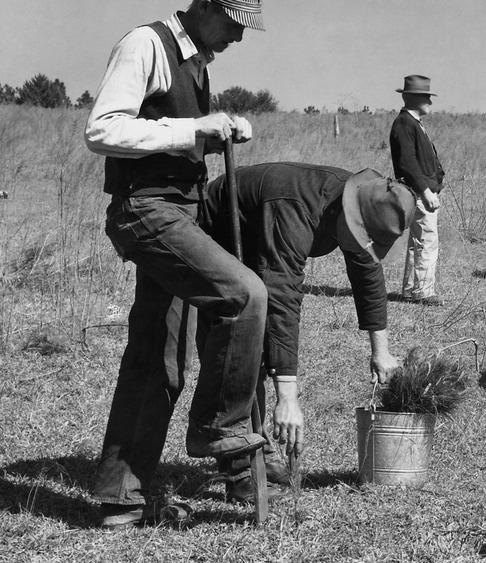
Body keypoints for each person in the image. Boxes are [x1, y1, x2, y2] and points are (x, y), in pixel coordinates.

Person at [84, 0, 266, 528]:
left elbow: (183, 127)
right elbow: (102, 131)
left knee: (157, 356)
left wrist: (217, 127)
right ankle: (217, 428)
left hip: (177, 213)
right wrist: (190, 131)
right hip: (145, 209)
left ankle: (121, 495)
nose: (239, 35)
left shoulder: (196, 60)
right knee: (244, 294)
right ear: (206, 5)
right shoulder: (146, 45)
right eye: (234, 22)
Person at [201, 163, 412, 502]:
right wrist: (289, 399)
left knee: (257, 343)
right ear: (349, 215)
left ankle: (257, 450)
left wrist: (380, 349)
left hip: (260, 240)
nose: (361, 246)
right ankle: (240, 469)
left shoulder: (362, 201)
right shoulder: (296, 210)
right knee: (239, 349)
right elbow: (282, 296)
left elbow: (368, 277)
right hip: (216, 232)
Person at [391, 75, 446, 306]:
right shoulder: (405, 123)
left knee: (418, 241)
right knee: (426, 241)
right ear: (414, 98)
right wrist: (425, 191)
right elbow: (407, 164)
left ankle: (411, 290)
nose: (430, 102)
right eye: (426, 97)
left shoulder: (410, 123)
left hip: (419, 192)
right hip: (418, 194)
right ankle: (423, 292)